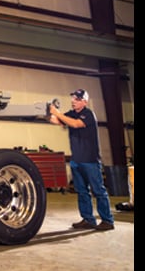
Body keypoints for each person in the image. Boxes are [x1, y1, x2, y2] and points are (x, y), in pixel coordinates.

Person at [48, 88, 115, 231]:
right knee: (82, 191)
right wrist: (50, 113)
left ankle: (107, 221)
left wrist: (58, 114)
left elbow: (75, 124)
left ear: (84, 102)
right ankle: (88, 219)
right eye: (73, 98)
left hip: (90, 159)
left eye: (77, 99)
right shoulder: (71, 114)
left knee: (98, 190)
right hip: (76, 159)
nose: (73, 101)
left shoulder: (88, 114)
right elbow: (58, 121)